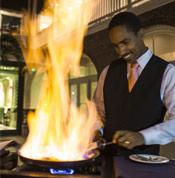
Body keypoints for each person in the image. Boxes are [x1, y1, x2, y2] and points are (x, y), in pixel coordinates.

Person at [93, 11, 175, 177]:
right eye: (115, 45)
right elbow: (97, 113)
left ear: (141, 34)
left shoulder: (167, 72)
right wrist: (97, 131)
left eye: (125, 42)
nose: (121, 51)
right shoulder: (108, 72)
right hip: (106, 165)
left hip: (144, 167)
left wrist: (142, 137)